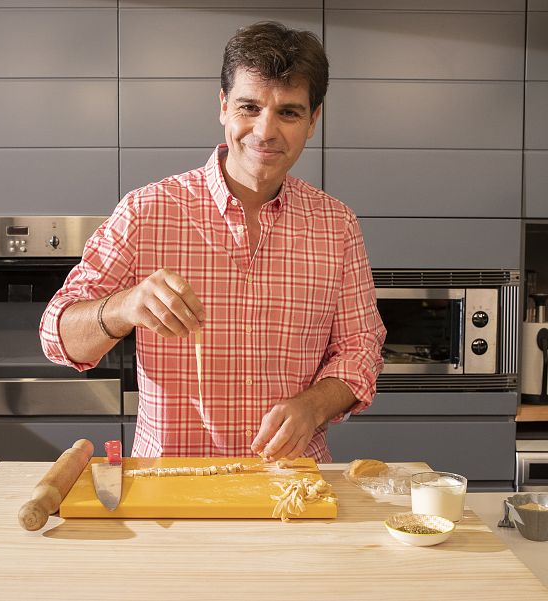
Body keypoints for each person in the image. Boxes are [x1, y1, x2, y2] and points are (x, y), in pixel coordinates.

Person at [40, 21, 385, 462]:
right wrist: (125, 306)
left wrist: (313, 406)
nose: (265, 131)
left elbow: (361, 349)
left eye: (289, 112)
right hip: (170, 488)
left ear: (313, 119)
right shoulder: (148, 211)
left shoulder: (337, 226)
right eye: (249, 107)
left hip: (289, 488)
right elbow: (57, 336)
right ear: (223, 106)